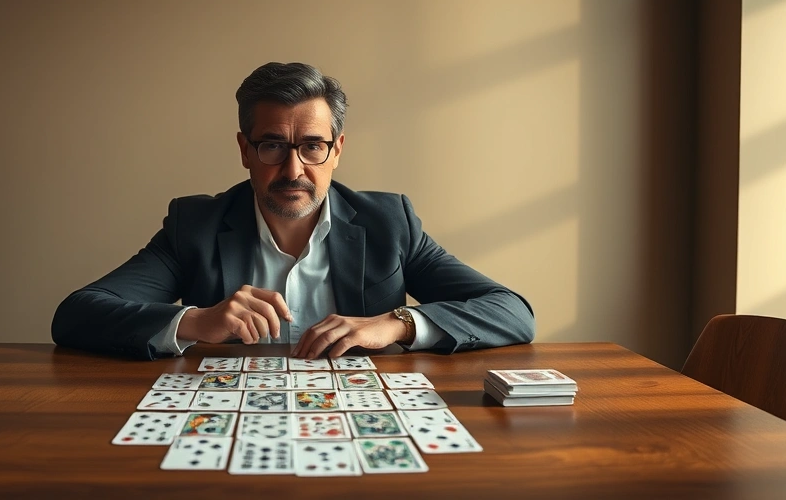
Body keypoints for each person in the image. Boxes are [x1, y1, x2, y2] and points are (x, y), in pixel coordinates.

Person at [52, 62, 534, 360]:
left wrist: (395, 324)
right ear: (244, 149)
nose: (293, 169)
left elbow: (512, 313)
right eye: (272, 146)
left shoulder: (391, 224)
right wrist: (196, 322)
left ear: (337, 149)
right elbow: (76, 315)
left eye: (311, 146)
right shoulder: (193, 227)